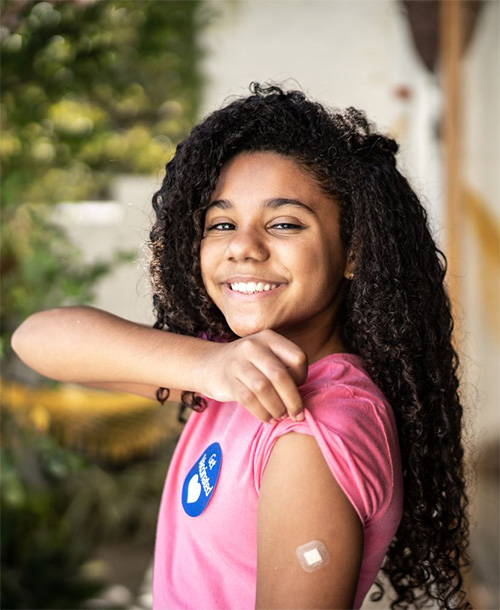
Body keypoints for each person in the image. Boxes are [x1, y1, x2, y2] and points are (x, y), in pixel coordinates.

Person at [12, 83, 471, 610]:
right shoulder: (229, 371)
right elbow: (38, 338)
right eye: (222, 223)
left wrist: (214, 367)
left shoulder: (310, 433)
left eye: (283, 223)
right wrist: (208, 364)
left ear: (354, 252)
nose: (242, 247)